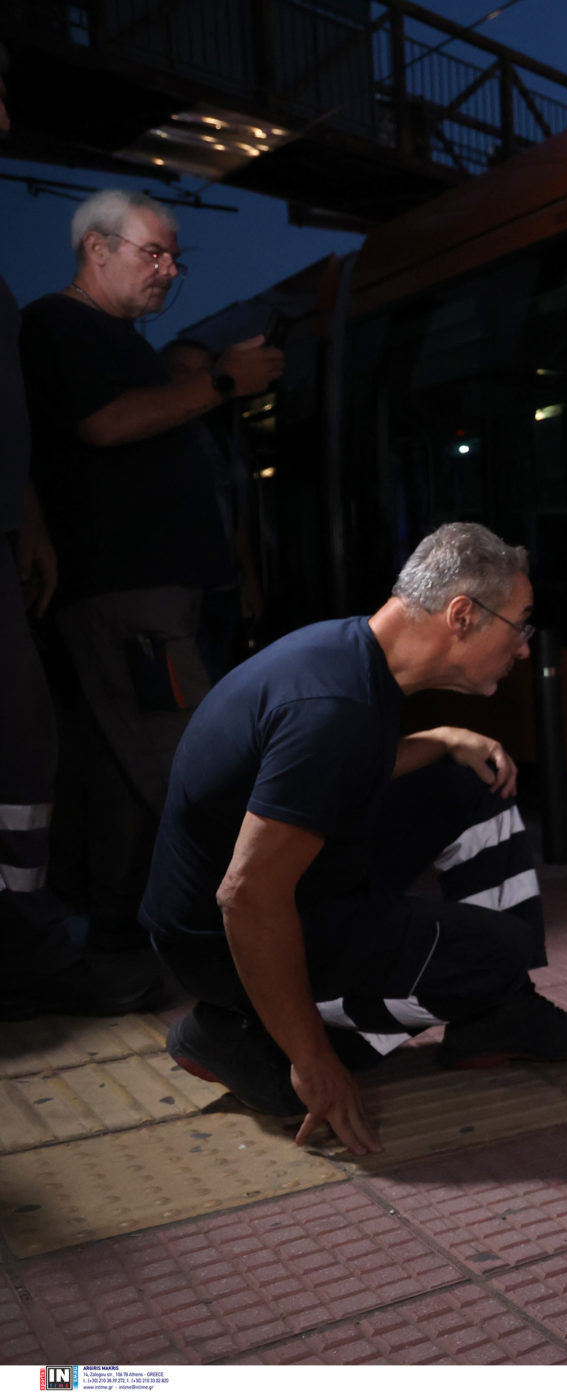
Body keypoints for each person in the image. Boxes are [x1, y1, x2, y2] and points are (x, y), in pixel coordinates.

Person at [142, 523, 567, 1154]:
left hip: (269, 892)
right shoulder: (332, 708)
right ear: (462, 615)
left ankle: (502, 1014)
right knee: (493, 953)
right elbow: (247, 898)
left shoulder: (346, 652)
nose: (526, 648)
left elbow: (320, 778)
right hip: (226, 939)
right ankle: (245, 1032)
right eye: (520, 624)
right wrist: (314, 1063)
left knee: (472, 782)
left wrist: (444, 738)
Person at [18, 189, 282, 965]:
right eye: (152, 253)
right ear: (96, 250)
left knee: (121, 768)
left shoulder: (117, 337)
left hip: (153, 593)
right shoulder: (58, 325)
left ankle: (122, 934)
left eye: (175, 258)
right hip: (127, 595)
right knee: (189, 762)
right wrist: (224, 382)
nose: (169, 270)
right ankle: (243, 941)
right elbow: (104, 424)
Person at [0, 46, 155, 1017]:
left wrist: (26, 518)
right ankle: (30, 952)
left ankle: (23, 943)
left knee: (25, 750)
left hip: (3, 537)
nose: (9, 113)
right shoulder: (63, 324)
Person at [160, 337, 263, 680]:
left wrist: (247, 580)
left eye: (204, 372)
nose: (194, 380)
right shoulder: (152, 434)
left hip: (221, 586)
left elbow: (235, 512)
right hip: (175, 589)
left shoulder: (221, 436)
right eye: (181, 371)